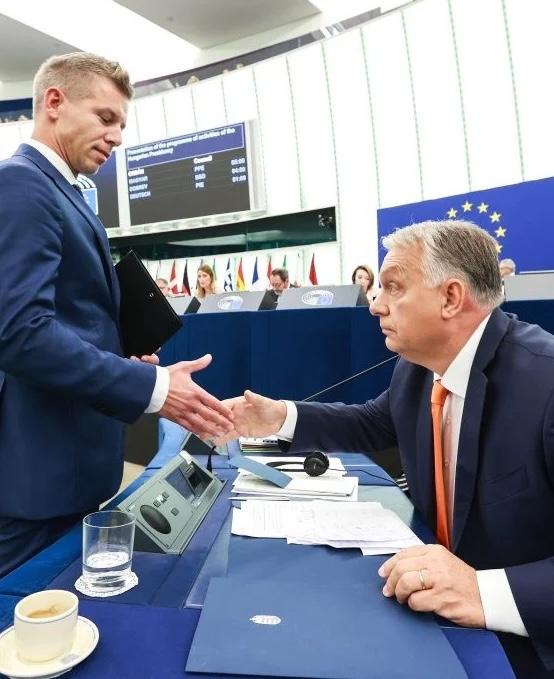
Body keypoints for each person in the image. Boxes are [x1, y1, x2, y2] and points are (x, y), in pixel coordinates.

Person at [219, 220, 554, 677]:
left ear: (451, 297)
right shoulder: (417, 370)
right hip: (436, 619)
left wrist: (481, 590)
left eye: (393, 287)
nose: (375, 304)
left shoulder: (546, 383)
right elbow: (372, 422)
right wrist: (279, 417)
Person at [0, 52, 233, 577]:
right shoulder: (22, 184)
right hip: (38, 477)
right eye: (106, 118)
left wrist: (122, 358)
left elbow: (65, 322)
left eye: (122, 125)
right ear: (54, 102)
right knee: (22, 615)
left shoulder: (63, 193)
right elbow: (19, 333)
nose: (117, 137)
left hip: (70, 468)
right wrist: (152, 387)